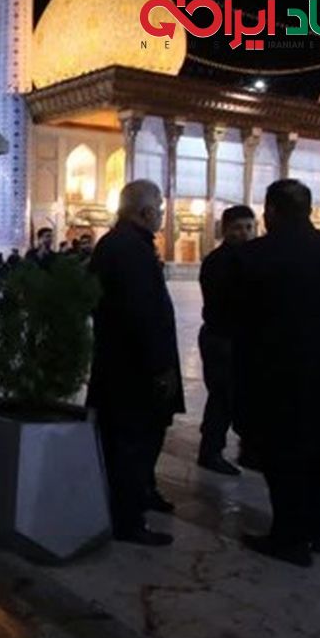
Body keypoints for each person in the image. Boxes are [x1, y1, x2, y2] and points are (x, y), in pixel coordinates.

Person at [230, 179, 320, 567]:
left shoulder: (252, 257)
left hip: (274, 376)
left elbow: (232, 317)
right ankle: (319, 533)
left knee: (282, 455)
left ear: (271, 211)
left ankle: (289, 538)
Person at [87, 179, 183, 546]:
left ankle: (140, 495)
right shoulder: (130, 249)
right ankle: (128, 520)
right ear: (145, 212)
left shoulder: (121, 243)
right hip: (134, 371)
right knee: (131, 443)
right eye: (159, 209)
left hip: (122, 365)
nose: (161, 215)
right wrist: (159, 369)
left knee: (132, 440)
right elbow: (141, 315)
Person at [197, 205, 257, 476]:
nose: (244, 234)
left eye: (249, 227)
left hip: (238, 338)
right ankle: (210, 450)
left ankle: (245, 448)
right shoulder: (219, 262)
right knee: (223, 396)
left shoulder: (250, 257)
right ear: (225, 230)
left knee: (237, 394)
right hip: (222, 338)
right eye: (237, 228)